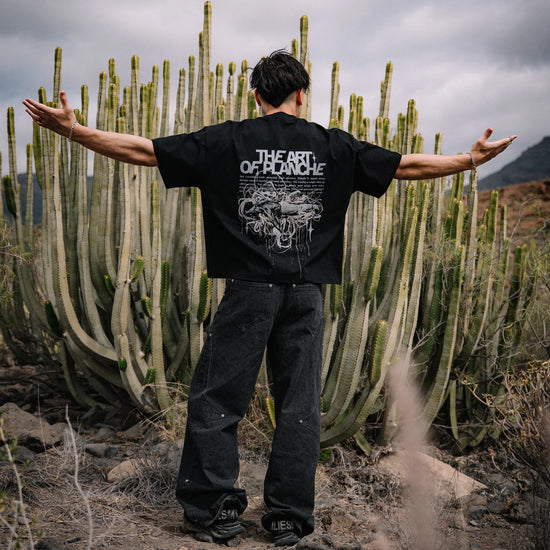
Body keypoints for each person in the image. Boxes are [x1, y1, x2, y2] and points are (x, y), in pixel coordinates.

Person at [23, 50, 516, 546]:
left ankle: (214, 511)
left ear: (256, 95)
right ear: (302, 94)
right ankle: (288, 517)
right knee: (299, 406)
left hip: (249, 292)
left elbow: (144, 151)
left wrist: (74, 130)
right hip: (306, 295)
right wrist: (468, 160)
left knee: (218, 398)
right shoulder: (333, 146)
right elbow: (407, 166)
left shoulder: (228, 140)